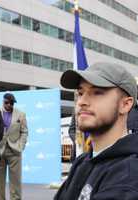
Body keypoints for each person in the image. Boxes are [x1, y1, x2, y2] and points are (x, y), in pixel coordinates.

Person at [54, 62, 138, 200]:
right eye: (80, 93)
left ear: (125, 104)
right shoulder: (83, 161)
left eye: (97, 92)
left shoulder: (128, 176)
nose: (82, 101)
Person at [0, 93, 28, 200]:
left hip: (15, 151)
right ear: (3, 102)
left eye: (12, 103)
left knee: (15, 181)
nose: (9, 105)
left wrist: (21, 145)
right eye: (7, 102)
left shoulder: (21, 114)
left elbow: (24, 132)